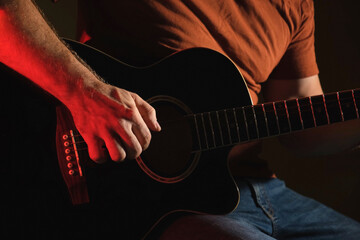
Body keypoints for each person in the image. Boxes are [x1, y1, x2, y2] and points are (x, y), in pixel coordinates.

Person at [1, 0, 360, 239]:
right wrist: (83, 90)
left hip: (259, 189)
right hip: (155, 200)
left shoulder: (295, 4)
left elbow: (301, 116)